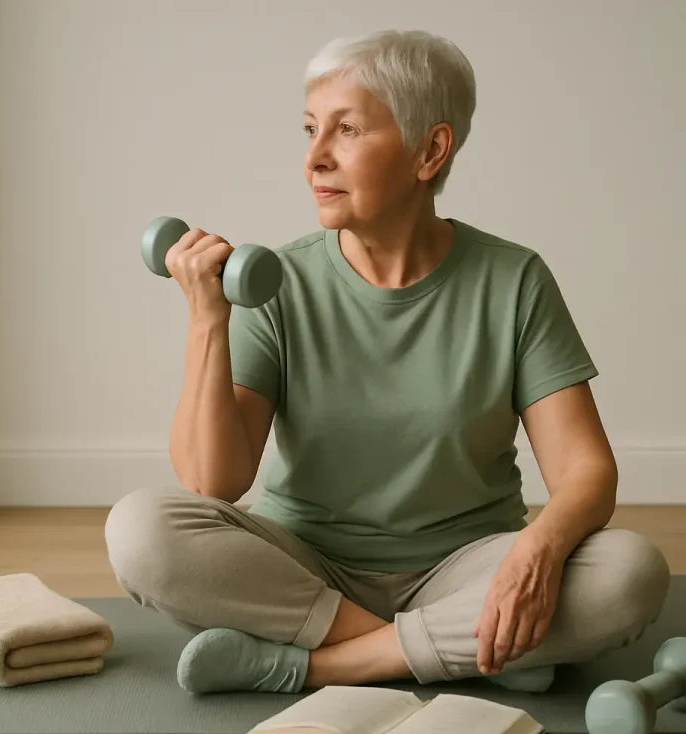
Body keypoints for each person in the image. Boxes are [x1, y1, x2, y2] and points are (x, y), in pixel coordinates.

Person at [105, 29, 670, 695]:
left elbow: (585, 472)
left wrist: (535, 554)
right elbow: (212, 480)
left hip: (466, 566)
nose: (315, 158)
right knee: (141, 531)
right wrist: (207, 318)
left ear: (429, 151)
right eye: (311, 129)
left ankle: (313, 666)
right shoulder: (277, 283)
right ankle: (468, 646)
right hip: (308, 566)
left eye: (346, 131)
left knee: (632, 572)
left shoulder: (514, 280)